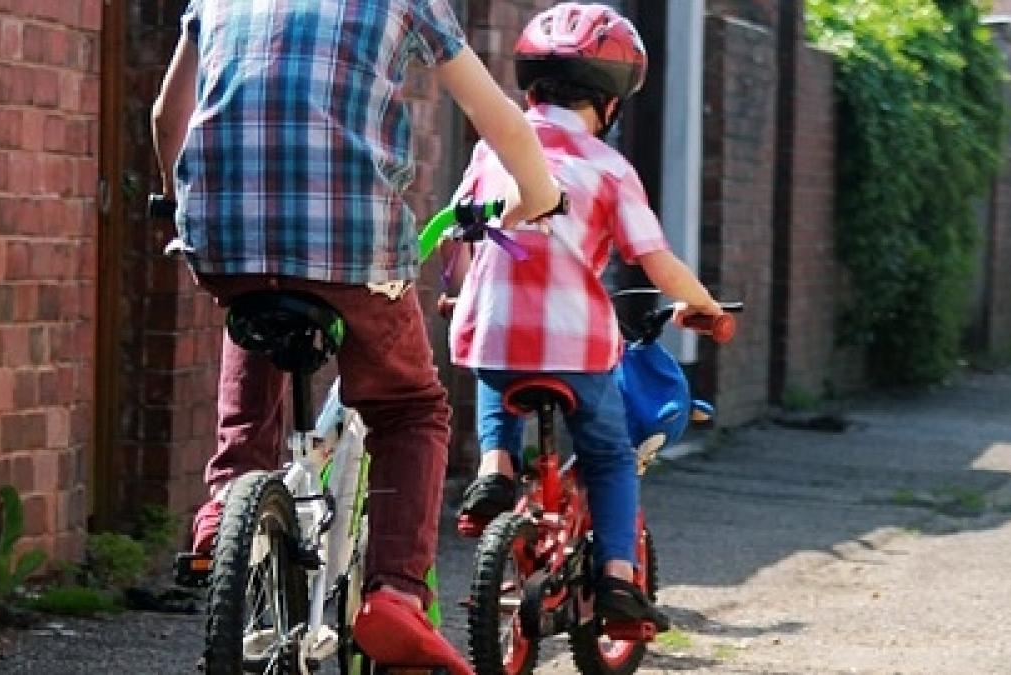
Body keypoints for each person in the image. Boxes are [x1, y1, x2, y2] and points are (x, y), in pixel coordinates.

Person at [150, 0, 562, 670]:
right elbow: (499, 120)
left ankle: (228, 499)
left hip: (222, 236)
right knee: (409, 407)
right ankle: (397, 589)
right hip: (351, 248)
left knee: (252, 307)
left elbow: (168, 115)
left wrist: (176, 200)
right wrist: (541, 195)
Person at [445, 2, 723, 630]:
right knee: (607, 456)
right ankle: (620, 579)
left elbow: (460, 237)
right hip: (577, 349)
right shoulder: (610, 167)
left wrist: (457, 293)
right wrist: (701, 303)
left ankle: (496, 468)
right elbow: (654, 261)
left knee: (499, 373)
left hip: (492, 328)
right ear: (610, 103)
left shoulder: (493, 152)